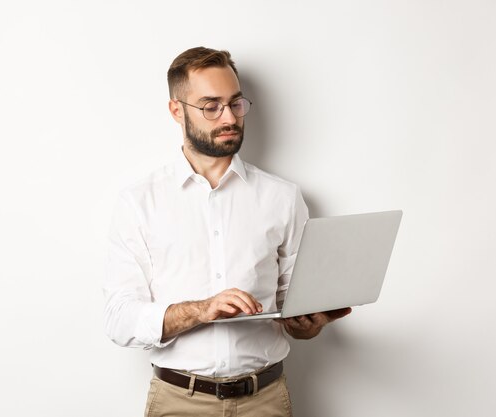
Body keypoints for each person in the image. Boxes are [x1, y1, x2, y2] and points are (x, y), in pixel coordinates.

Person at [102, 46, 352, 417]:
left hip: (265, 400)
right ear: (176, 110)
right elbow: (119, 319)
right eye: (211, 106)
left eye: (236, 103)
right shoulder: (140, 202)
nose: (229, 117)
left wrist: (307, 324)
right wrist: (201, 310)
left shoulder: (283, 197)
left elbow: (291, 302)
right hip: (178, 402)